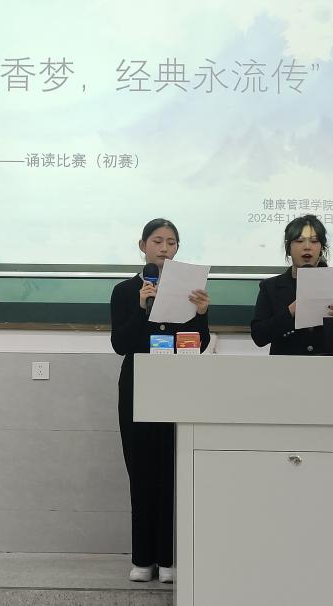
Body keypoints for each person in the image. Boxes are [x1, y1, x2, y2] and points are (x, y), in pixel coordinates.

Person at [110, 218, 211, 584]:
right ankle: (143, 558)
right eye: (157, 241)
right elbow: (121, 344)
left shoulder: (189, 290)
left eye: (171, 242)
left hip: (176, 386)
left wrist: (201, 315)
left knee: (171, 472)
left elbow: (197, 343)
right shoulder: (125, 291)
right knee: (141, 472)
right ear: (143, 246)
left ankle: (168, 558)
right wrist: (141, 308)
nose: (164, 248)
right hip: (138, 385)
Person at [250, 214, 333, 354]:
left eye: (314, 241)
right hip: (285, 365)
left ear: (321, 248)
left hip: (325, 364)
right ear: (288, 248)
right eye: (299, 241)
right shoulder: (270, 287)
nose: (307, 247)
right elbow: (259, 336)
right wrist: (290, 311)